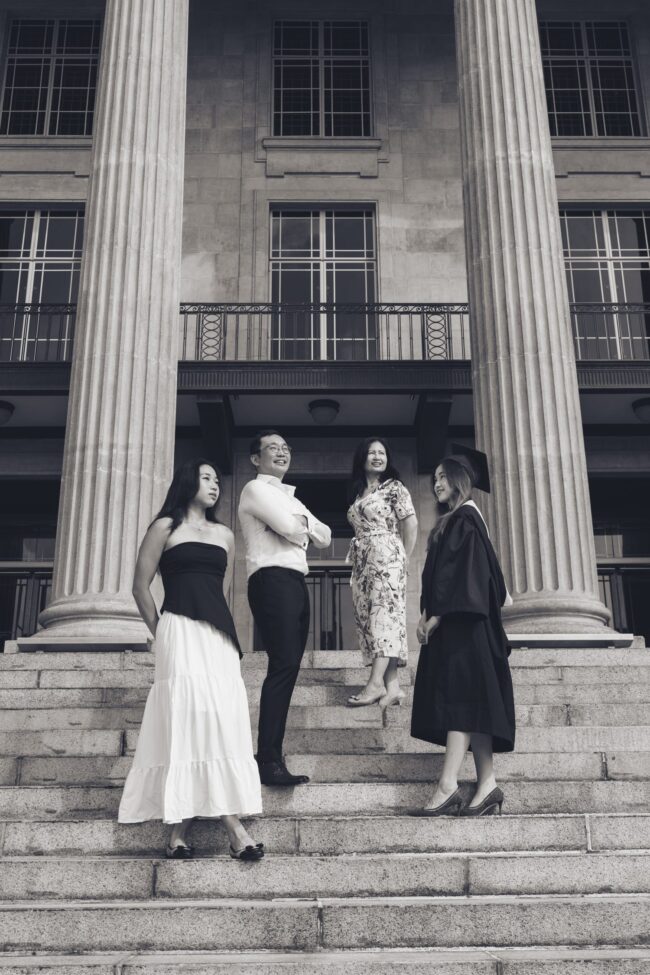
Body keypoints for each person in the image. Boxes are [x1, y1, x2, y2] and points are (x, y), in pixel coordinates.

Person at [118, 459, 264, 861]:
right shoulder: (165, 527)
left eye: (218, 479)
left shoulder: (224, 535)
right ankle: (233, 828)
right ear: (188, 481)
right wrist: (159, 631)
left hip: (218, 636)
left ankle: (180, 830)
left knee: (217, 716)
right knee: (185, 715)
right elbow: (139, 586)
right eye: (206, 478)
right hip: (178, 630)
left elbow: (222, 588)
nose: (215, 485)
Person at [410, 444, 515, 817]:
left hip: (464, 627)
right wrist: (428, 612)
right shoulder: (460, 520)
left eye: (442, 477)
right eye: (434, 478)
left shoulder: (465, 520)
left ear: (459, 480)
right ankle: (487, 784)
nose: (436, 483)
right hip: (469, 627)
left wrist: (437, 616)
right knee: (475, 702)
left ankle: (447, 784)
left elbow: (463, 577)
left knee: (460, 702)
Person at [238, 430, 332, 786]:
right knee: (282, 666)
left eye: (285, 448)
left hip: (294, 581)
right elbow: (288, 527)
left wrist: (301, 527)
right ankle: (268, 759)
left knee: (289, 667)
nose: (281, 453)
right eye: (272, 448)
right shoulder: (254, 489)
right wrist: (301, 528)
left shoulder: (290, 496)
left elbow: (323, 536)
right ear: (255, 458)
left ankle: (270, 755)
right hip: (271, 579)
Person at [346, 437, 418, 708]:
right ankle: (393, 686)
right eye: (371, 452)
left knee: (383, 618)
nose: (377, 456)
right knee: (371, 620)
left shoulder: (394, 488)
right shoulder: (358, 493)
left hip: (386, 557)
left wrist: (403, 559)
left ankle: (375, 684)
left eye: (382, 452)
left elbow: (410, 524)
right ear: (362, 458)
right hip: (363, 562)